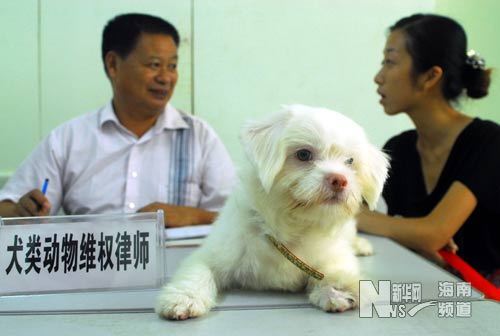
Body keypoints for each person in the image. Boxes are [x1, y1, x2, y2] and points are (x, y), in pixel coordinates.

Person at [0, 13, 236, 227]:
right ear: (113, 64)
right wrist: (21, 210)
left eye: (172, 66)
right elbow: (6, 207)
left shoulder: (198, 136)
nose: (166, 78)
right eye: (154, 65)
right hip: (89, 271)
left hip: (177, 273)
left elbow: (244, 220)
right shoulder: (69, 139)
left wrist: (192, 216)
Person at [357, 14, 500, 285]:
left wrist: (360, 218)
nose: (379, 77)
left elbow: (434, 232)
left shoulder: (489, 142)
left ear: (430, 76)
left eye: (390, 62)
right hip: (430, 294)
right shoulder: (398, 149)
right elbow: (352, 210)